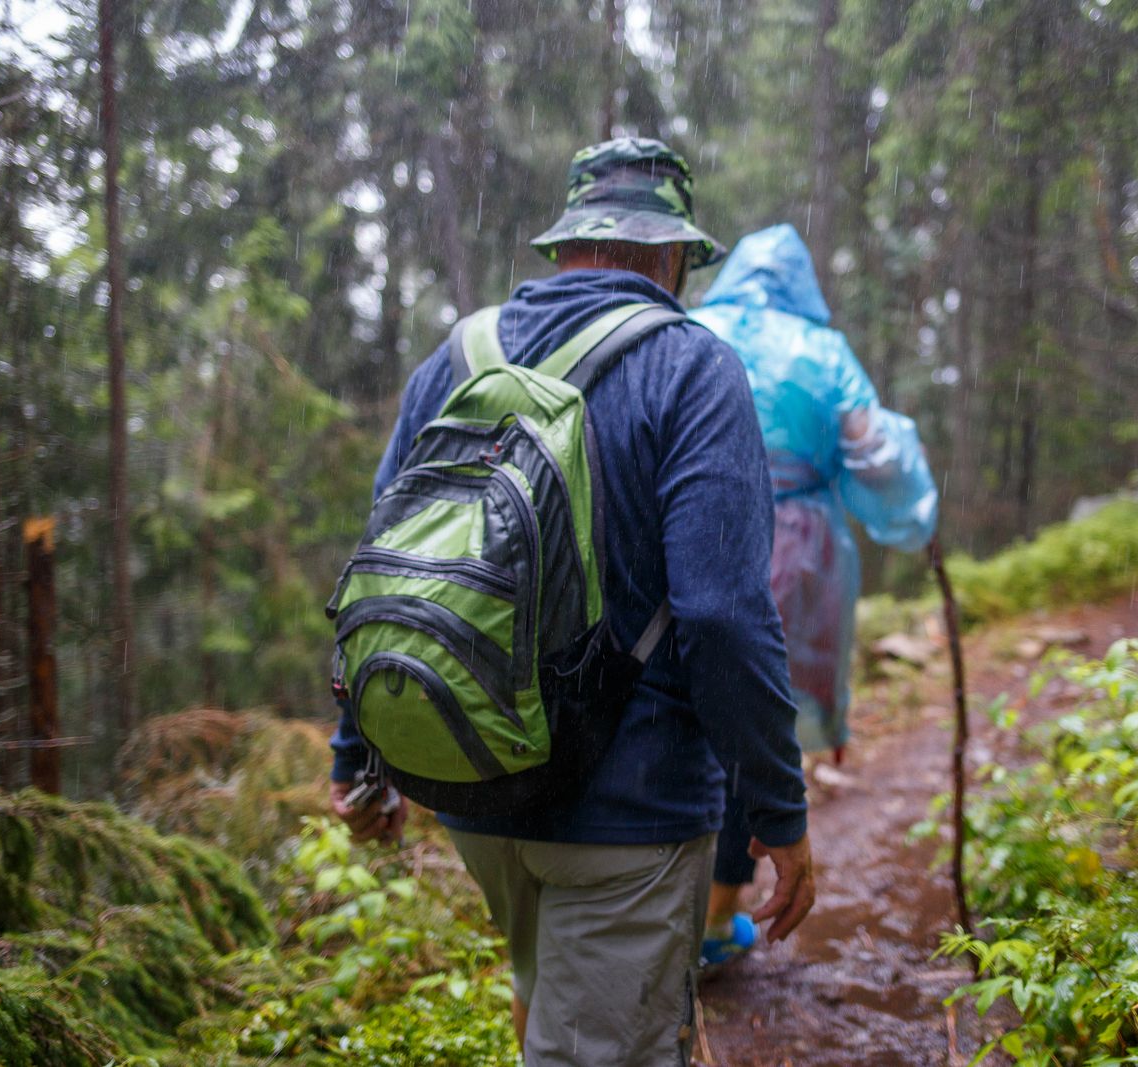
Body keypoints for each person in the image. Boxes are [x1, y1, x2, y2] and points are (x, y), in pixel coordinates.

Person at [327, 138, 816, 1066]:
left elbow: (378, 572)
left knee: (546, 1001)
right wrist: (777, 808)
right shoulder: (692, 368)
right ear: (673, 257)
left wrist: (361, 760)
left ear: (564, 248)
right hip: (627, 811)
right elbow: (720, 613)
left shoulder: (456, 356)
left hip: (471, 778)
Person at [689, 224, 938, 964]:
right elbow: (876, 450)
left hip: (697, 525)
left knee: (686, 704)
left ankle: (668, 900)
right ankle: (716, 912)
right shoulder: (822, 351)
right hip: (799, 549)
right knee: (761, 718)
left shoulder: (695, 331)